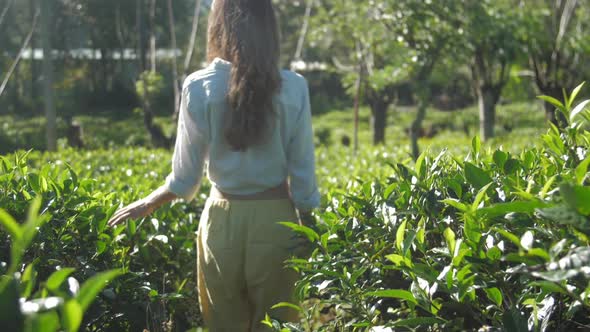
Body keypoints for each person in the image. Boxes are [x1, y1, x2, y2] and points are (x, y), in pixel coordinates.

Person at [107, 0, 320, 330]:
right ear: (270, 28)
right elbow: (303, 173)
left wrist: (147, 204)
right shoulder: (294, 87)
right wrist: (310, 227)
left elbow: (184, 180)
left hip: (221, 223)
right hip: (278, 223)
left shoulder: (198, 85)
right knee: (278, 325)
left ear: (218, 26)